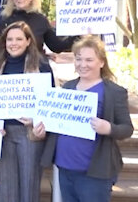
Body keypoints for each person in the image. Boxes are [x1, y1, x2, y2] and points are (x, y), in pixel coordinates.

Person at [40, 36, 133, 202]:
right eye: (78, 59)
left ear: (102, 62)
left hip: (95, 173)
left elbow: (127, 128)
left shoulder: (114, 92)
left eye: (89, 60)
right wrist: (40, 129)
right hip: (65, 168)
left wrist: (109, 128)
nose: (83, 64)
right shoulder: (67, 87)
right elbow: (57, 122)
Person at [0, 21, 54, 202]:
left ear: (29, 41)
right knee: (6, 188)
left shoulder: (41, 65)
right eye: (9, 39)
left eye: (19, 39)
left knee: (29, 187)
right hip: (3, 133)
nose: (13, 43)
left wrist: (36, 120)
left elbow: (51, 102)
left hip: (29, 134)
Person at [1, 0, 75, 53]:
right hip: (12, 64)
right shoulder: (6, 19)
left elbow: (57, 46)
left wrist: (78, 36)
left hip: (35, 63)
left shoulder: (41, 20)